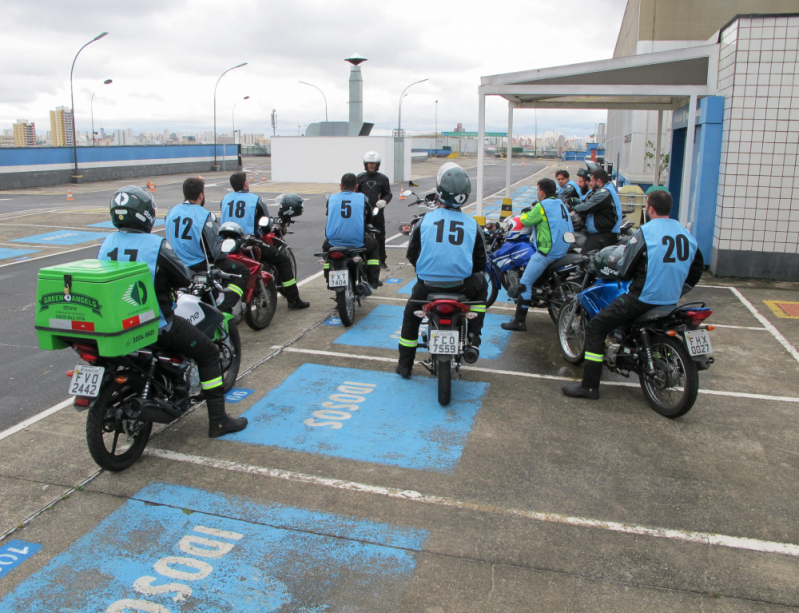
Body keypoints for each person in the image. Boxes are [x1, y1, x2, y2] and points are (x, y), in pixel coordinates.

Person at [97, 185, 247, 437]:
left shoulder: (108, 242)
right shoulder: (155, 245)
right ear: (146, 214)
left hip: (119, 322)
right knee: (209, 354)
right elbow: (182, 278)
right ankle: (219, 420)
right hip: (154, 323)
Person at [563, 189, 704, 400]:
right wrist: (679, 289)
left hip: (642, 299)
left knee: (596, 327)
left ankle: (589, 386)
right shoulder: (686, 234)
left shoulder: (645, 232)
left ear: (650, 209)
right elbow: (696, 269)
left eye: (646, 206)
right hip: (671, 299)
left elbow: (625, 269)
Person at [396, 162, 488, 378]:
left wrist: (426, 270)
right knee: (482, 285)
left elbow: (412, 253)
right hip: (461, 285)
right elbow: (480, 262)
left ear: (439, 192)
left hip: (427, 286)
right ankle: (475, 334)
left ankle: (405, 366)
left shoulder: (424, 221)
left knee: (411, 317)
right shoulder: (472, 225)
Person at [220, 172, 309, 309]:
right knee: (283, 261)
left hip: (227, 244)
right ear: (245, 184)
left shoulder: (225, 199)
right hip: (248, 243)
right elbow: (266, 225)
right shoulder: (255, 200)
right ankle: (293, 299)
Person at [164, 178, 249, 313]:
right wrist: (230, 246)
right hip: (199, 264)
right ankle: (224, 307)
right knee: (243, 271)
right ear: (200, 195)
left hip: (177, 264)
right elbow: (215, 251)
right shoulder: (205, 215)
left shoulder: (171, 213)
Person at [501, 178, 574, 331]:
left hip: (548, 251)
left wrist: (524, 214)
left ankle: (519, 321)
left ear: (541, 192)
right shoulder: (561, 204)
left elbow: (527, 221)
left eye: (537, 190)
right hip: (563, 247)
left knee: (525, 283)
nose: (537, 193)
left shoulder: (542, 206)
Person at [324, 172, 382, 288]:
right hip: (357, 241)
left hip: (333, 241)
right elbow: (369, 218)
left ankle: (327, 276)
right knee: (374, 245)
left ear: (341, 186)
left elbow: (329, 215)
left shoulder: (332, 198)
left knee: (326, 252)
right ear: (356, 186)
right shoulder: (362, 198)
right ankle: (373, 280)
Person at [572, 168, 623, 253]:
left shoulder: (604, 193)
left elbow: (586, 207)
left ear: (598, 181)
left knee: (585, 257)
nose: (590, 183)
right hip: (601, 232)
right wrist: (573, 201)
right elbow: (586, 201)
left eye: (592, 180)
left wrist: (572, 209)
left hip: (604, 234)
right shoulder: (603, 190)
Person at [356, 151, 392, 270]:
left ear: (377, 165)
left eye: (373, 164)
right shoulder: (360, 178)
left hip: (377, 212)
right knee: (361, 235)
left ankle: (382, 260)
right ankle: (361, 258)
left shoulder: (383, 178)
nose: (371, 166)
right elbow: (355, 193)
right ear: (365, 164)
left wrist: (384, 201)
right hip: (363, 212)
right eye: (369, 163)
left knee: (380, 236)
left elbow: (388, 194)